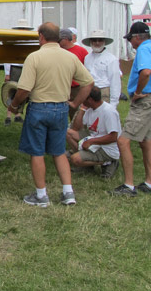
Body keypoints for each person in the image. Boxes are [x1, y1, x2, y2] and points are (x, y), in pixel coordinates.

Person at [9, 22, 94, 207]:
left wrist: (14, 105)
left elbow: (24, 89)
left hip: (39, 108)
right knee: (58, 152)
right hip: (61, 108)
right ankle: (68, 192)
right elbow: (88, 82)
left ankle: (41, 196)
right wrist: (75, 103)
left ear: (41, 36)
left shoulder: (35, 57)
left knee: (37, 152)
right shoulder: (70, 57)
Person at [111, 22, 151, 196]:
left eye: (130, 38)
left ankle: (128, 186)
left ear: (137, 37)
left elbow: (145, 72)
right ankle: (149, 182)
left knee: (123, 141)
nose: (130, 42)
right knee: (145, 141)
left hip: (143, 101)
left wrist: (138, 92)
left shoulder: (144, 50)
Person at [66, 86, 121, 178]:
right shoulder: (90, 109)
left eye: (83, 98)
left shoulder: (109, 112)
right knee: (68, 133)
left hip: (107, 148)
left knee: (75, 159)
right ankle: (88, 163)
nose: (81, 100)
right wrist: (82, 109)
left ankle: (109, 161)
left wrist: (91, 141)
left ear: (90, 100)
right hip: (94, 137)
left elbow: (113, 137)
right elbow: (76, 128)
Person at [2, 18, 34, 126]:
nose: (23, 30)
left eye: (24, 28)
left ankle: (18, 114)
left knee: (24, 90)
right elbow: (7, 57)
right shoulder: (13, 40)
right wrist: (7, 73)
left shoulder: (30, 41)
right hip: (15, 67)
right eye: (21, 28)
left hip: (25, 68)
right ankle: (8, 115)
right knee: (11, 91)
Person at [81, 30, 121, 107]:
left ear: (104, 42)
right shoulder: (87, 58)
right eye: (94, 40)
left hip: (103, 92)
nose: (97, 43)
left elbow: (115, 82)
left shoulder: (111, 59)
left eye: (100, 40)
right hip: (89, 91)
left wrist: (113, 103)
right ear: (90, 42)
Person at [59, 28, 89, 120]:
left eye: (59, 40)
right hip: (61, 87)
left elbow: (87, 69)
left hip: (76, 88)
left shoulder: (82, 51)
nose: (58, 42)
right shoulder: (58, 51)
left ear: (66, 39)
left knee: (76, 114)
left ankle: (75, 131)